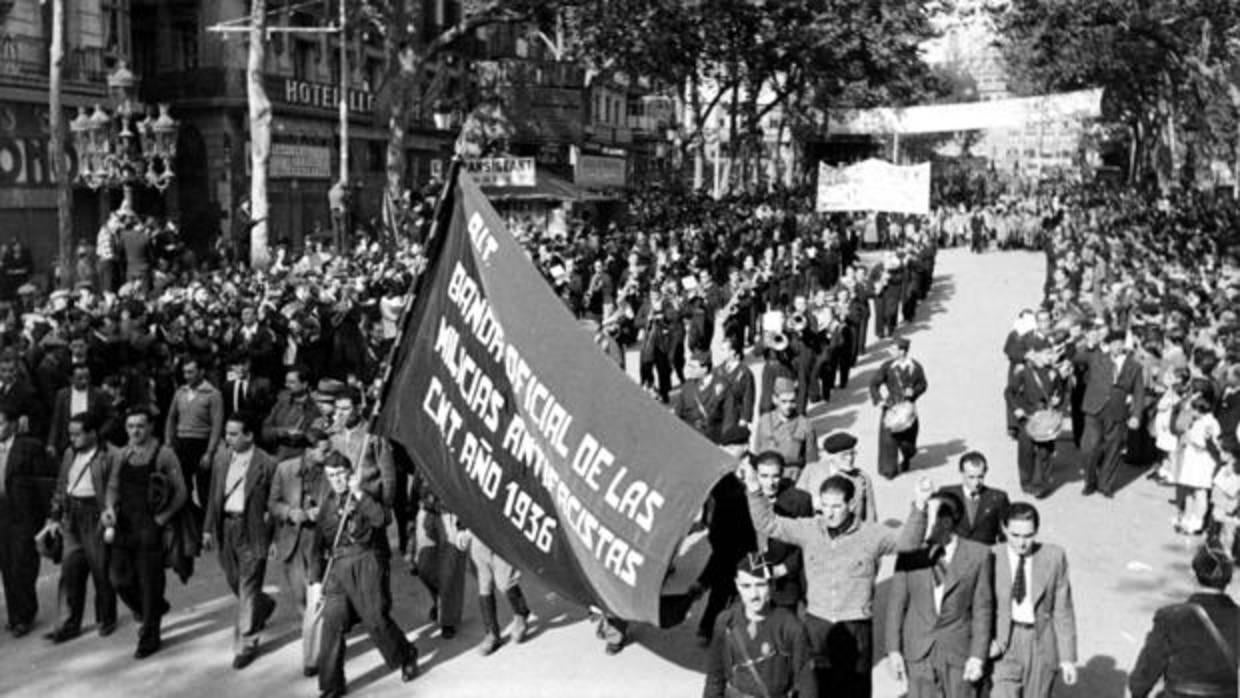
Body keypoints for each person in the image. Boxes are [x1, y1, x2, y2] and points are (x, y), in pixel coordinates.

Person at [740, 461, 933, 698]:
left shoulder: (871, 535)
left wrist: (921, 506)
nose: (829, 513)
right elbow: (768, 523)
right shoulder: (809, 529)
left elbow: (908, 542)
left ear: (851, 505)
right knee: (813, 690)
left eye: (836, 506)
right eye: (825, 505)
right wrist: (753, 490)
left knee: (853, 691)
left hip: (855, 626)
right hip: (817, 625)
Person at [316, 451, 418, 697]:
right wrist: (316, 579)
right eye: (332, 475)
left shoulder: (367, 496)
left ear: (351, 473)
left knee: (375, 619)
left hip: (366, 560)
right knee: (332, 622)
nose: (337, 480)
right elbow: (319, 542)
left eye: (341, 474)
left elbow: (382, 519)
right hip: (339, 566)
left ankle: (406, 654)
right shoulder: (327, 503)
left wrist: (359, 494)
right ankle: (332, 685)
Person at [886, 491, 993, 698]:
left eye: (928, 515)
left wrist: (978, 656)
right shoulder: (909, 553)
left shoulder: (978, 554)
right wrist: (893, 650)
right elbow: (896, 605)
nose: (922, 521)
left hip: (958, 651)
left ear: (947, 521)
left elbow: (983, 609)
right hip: (919, 651)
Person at [108, 406, 186, 658]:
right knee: (119, 579)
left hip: (150, 528)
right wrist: (109, 509)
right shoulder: (121, 454)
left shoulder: (164, 454)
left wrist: (161, 520)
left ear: (151, 426)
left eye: (140, 426)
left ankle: (149, 637)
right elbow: (112, 487)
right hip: (124, 525)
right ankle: (154, 609)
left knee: (149, 582)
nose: (135, 431)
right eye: (130, 427)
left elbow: (181, 492)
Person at [202, 412, 278, 669]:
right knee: (236, 580)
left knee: (247, 587)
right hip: (227, 527)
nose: (228, 438)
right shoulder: (222, 458)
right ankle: (264, 604)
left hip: (253, 530)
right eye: (227, 433)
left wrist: (275, 538)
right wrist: (208, 529)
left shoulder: (267, 464)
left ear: (249, 435)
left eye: (234, 434)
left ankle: (246, 643)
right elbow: (213, 496)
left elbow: (276, 504)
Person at [44, 411, 121, 643]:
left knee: (101, 569)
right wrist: (54, 516)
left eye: (77, 434)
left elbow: (114, 487)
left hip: (95, 514)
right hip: (72, 515)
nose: (72, 438)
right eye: (70, 434)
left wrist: (109, 512)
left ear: (92, 434)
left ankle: (106, 618)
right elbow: (61, 485)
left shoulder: (110, 455)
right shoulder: (69, 453)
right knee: (70, 569)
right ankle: (69, 623)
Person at [990, 502, 1078, 698]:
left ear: (1036, 531)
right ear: (1004, 529)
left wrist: (1067, 659)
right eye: (1015, 535)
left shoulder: (1054, 557)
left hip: (1040, 643)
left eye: (1028, 536)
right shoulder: (991, 556)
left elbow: (1062, 610)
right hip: (1005, 640)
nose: (1022, 543)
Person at [1129, 543, 1239, 698]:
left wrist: (1137, 691)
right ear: (1227, 581)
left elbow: (1148, 668)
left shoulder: (1171, 617)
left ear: (1194, 576)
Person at [702, 553, 818, 698]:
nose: (753, 594)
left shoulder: (790, 626)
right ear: (737, 585)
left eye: (760, 585)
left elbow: (806, 682)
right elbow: (715, 676)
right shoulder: (726, 621)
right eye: (746, 586)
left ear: (771, 585)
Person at [267, 426, 330, 676]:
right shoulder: (285, 469)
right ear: (309, 450)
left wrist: (322, 513)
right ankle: (314, 642)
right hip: (292, 540)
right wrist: (290, 513)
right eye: (323, 451)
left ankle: (312, 657)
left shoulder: (331, 470)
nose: (327, 455)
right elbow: (272, 504)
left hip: (318, 541)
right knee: (301, 599)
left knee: (316, 600)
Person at [1073, 327, 1144, 497]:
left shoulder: (1134, 366)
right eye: (1113, 343)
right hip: (1094, 408)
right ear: (1108, 345)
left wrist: (1136, 415)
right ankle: (1090, 481)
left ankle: (1105, 484)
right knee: (1089, 447)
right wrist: (1089, 344)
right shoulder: (1097, 357)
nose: (1117, 347)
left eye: (1120, 343)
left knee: (1113, 450)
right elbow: (1077, 358)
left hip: (1117, 411)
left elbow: (1139, 392)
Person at [0, 405, 48, 637]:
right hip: (1, 513)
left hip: (23, 512)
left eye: (0, 423)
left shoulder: (29, 447)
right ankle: (15, 614)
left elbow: (42, 483)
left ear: (12, 424)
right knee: (6, 564)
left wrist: (46, 517)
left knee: (22, 563)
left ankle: (25, 615)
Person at [752, 451, 813, 608]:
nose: (770, 483)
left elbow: (807, 541)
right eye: (764, 476)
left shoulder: (800, 500)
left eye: (775, 476)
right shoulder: (747, 501)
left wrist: (786, 567)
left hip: (786, 582)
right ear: (755, 475)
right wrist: (758, 568)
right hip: (753, 580)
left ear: (783, 474)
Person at [165, 356, 224, 518]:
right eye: (185, 372)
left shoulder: (213, 394)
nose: (187, 376)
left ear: (201, 372)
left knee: (205, 488)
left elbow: (217, 425)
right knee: (181, 487)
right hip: (181, 443)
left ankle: (208, 528)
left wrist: (210, 452)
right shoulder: (180, 392)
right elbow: (171, 418)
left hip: (202, 444)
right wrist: (169, 442)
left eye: (191, 372)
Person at [457, 532, 532, 655]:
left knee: (506, 580)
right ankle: (492, 634)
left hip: (498, 536)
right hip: (476, 539)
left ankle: (521, 614)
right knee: (484, 586)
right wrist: (461, 532)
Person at [1008, 347, 1066, 497]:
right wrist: (1016, 409)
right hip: (1027, 417)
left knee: (1045, 452)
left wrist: (1058, 401)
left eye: (1051, 353)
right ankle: (1026, 482)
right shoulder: (1024, 371)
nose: (1050, 356)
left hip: (1046, 418)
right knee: (1026, 452)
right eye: (1046, 353)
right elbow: (1009, 392)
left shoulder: (1054, 372)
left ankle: (1042, 485)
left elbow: (1061, 392)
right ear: (1036, 355)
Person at [870, 337, 928, 479]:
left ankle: (907, 456)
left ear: (902, 351)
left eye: (893, 349)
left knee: (908, 441)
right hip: (891, 406)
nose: (890, 351)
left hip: (908, 408)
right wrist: (879, 399)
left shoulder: (915, 367)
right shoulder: (887, 366)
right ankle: (888, 470)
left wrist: (914, 392)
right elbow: (874, 384)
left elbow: (923, 384)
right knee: (887, 439)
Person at [798, 431, 876, 523]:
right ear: (830, 456)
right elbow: (797, 504)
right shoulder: (811, 471)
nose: (850, 459)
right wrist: (813, 503)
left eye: (852, 453)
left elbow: (870, 516)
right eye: (844, 455)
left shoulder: (862, 478)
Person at [752, 376, 819, 482]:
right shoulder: (764, 421)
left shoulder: (805, 425)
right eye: (784, 401)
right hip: (767, 478)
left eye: (792, 401)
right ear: (775, 399)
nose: (788, 406)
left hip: (793, 477)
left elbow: (812, 462)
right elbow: (757, 451)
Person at [938, 451, 1010, 545]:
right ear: (961, 472)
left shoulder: (999, 498)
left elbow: (1006, 534)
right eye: (971, 477)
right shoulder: (946, 495)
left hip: (985, 554)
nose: (976, 483)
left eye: (980, 477)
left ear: (985, 471)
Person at [670, 351, 725, 442]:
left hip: (711, 439)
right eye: (689, 366)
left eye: (693, 367)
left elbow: (728, 416)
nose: (689, 370)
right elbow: (677, 413)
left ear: (705, 369)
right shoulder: (687, 386)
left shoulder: (721, 386)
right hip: (687, 436)